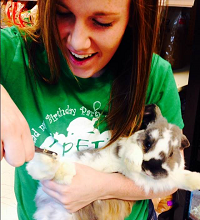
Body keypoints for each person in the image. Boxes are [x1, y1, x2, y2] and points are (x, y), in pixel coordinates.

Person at [1, 0, 184, 219]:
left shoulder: (155, 76)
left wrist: (104, 186)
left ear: (131, 19)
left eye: (101, 22)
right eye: (63, 13)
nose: (78, 42)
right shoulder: (13, 55)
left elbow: (172, 179)